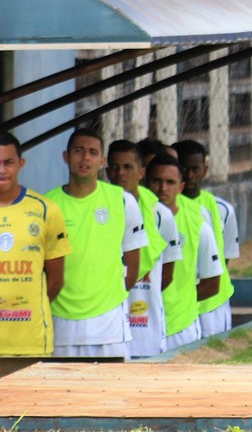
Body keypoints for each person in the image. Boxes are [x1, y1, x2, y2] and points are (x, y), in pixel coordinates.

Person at [46, 127, 148, 358]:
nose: (85, 158)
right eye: (78, 151)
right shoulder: (48, 205)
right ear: (65, 156)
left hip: (109, 326)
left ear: (102, 161)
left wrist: (111, 298)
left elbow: (133, 267)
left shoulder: (122, 201)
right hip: (62, 326)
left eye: (93, 152)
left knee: (111, 392)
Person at [107, 139, 182, 358]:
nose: (121, 173)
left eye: (128, 167)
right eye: (115, 167)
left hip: (147, 327)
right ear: (107, 170)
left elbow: (166, 276)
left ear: (141, 172)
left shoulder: (160, 214)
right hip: (110, 324)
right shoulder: (98, 210)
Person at [0, 131, 71, 356]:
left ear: (21, 164)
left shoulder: (45, 210)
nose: (1, 170)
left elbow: (56, 280)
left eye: (8, 162)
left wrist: (30, 308)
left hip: (30, 341)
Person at [146, 155, 222, 350]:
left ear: (180, 187)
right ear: (145, 181)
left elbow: (212, 284)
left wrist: (183, 300)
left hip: (180, 328)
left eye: (170, 182)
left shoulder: (198, 226)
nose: (163, 189)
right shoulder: (130, 219)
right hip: (140, 323)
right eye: (156, 181)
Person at [172, 141, 238, 337]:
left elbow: (223, 262)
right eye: (184, 168)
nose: (190, 175)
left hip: (212, 305)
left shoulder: (223, 210)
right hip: (175, 304)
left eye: (195, 169)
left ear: (205, 170)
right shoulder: (161, 209)